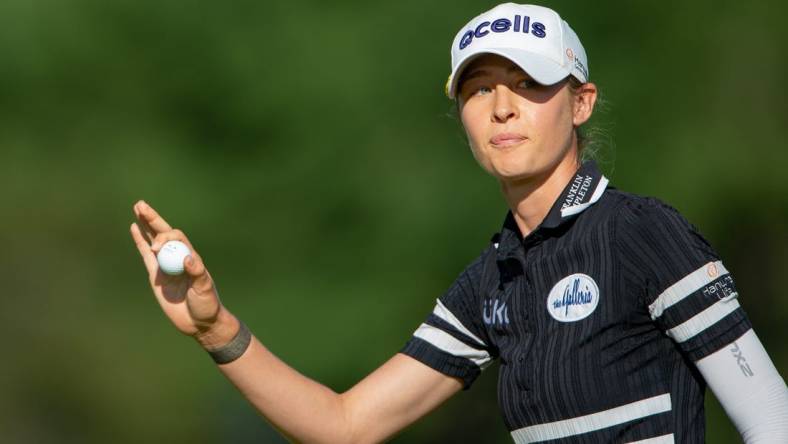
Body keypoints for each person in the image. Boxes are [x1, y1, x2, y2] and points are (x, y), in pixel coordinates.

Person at [130, 3, 788, 443]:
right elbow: (345, 426)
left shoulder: (643, 233)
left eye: (528, 83)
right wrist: (217, 330)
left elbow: (770, 421)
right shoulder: (491, 281)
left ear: (580, 102)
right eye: (479, 89)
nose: (502, 107)